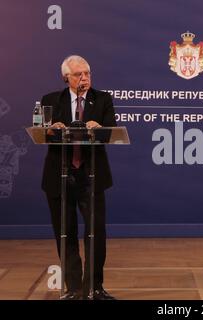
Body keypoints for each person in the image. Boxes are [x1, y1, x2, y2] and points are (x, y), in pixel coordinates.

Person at [41, 55, 116, 300]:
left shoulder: (102, 99)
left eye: (87, 73)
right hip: (60, 175)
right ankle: (73, 289)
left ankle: (93, 287)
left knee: (96, 232)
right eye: (78, 75)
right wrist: (54, 130)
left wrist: (99, 128)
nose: (84, 78)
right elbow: (43, 134)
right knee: (66, 233)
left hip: (91, 175)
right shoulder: (51, 100)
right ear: (66, 78)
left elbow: (111, 132)